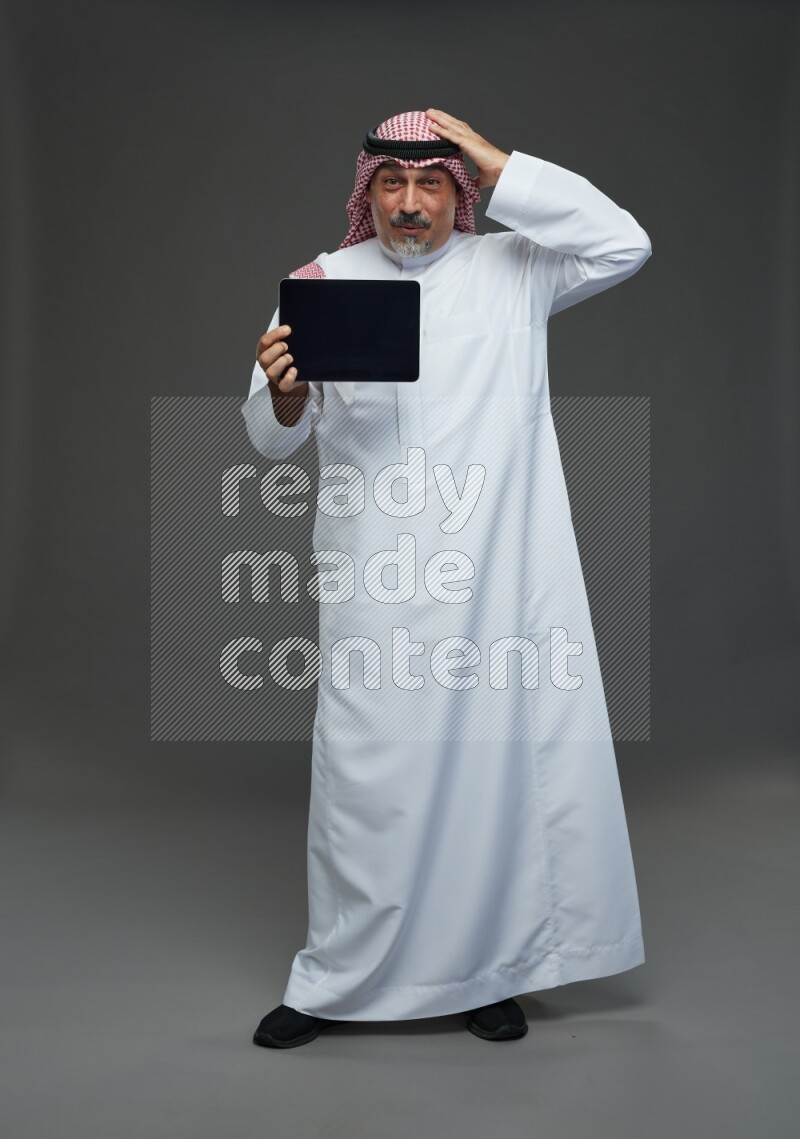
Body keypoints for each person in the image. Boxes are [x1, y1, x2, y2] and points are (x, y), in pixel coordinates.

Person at [241, 109, 652, 1047]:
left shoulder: (514, 268)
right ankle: (336, 978)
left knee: (491, 774)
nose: (412, 203)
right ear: (367, 193)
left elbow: (625, 243)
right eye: (393, 183)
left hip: (497, 579)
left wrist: (497, 160)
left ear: (457, 189)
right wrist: (285, 393)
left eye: (433, 182)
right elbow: (268, 435)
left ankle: (486, 969)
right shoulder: (321, 282)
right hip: (377, 575)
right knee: (364, 778)